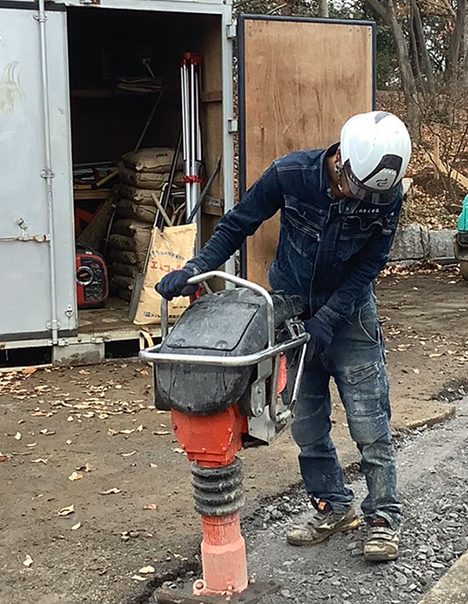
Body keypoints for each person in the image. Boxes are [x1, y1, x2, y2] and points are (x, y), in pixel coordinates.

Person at [156, 111, 412, 562]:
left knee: (370, 424)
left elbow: (370, 266)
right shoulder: (291, 175)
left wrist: (330, 317)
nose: (366, 199)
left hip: (350, 317)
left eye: (377, 192)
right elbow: (239, 223)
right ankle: (332, 505)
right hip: (291, 310)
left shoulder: (385, 193)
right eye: (361, 188)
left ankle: (382, 517)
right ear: (341, 161)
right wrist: (198, 269)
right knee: (307, 423)